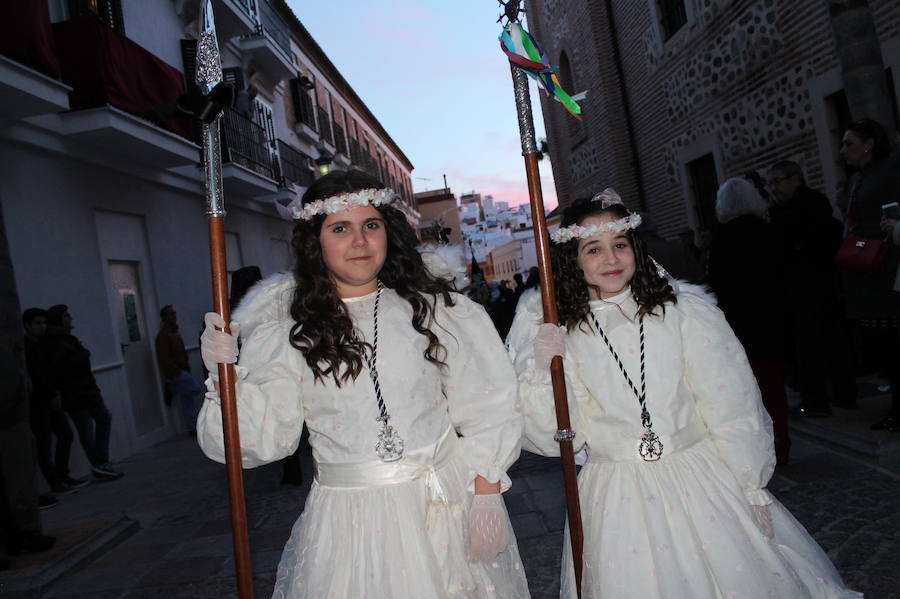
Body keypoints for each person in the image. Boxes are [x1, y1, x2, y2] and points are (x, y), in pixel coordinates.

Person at [507, 189, 861, 599]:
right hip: (617, 492)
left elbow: (729, 400)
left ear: (636, 247)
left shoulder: (681, 312)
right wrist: (543, 367)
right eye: (593, 249)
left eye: (620, 245)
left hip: (699, 476)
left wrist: (749, 482)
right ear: (572, 259)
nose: (611, 258)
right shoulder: (568, 331)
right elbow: (562, 434)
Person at [197, 169, 530, 598]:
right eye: (340, 228)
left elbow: (492, 401)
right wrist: (226, 380)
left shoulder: (436, 311)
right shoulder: (286, 332)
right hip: (350, 524)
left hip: (445, 509)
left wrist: (485, 491)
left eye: (370, 225)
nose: (359, 241)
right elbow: (263, 442)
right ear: (315, 242)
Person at [708, 179, 791, 465]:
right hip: (771, 320)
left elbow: (716, 283)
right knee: (774, 385)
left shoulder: (722, 238)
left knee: (748, 389)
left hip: (740, 324)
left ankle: (762, 447)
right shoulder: (769, 232)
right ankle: (782, 441)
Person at [767, 159, 856, 415]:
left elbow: (815, 241)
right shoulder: (779, 210)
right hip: (797, 289)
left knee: (827, 343)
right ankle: (821, 397)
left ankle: (834, 396)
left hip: (818, 285)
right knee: (811, 346)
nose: (774, 188)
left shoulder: (812, 204)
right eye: (771, 183)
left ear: (795, 179)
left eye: (778, 181)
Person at [839, 118, 900, 431]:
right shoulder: (857, 180)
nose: (844, 150)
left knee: (894, 340)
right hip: (867, 270)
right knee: (883, 345)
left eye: (849, 143)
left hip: (888, 267)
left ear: (869, 144)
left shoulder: (889, 173)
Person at [43, 305, 122, 479]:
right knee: (87, 430)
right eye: (66, 316)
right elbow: (65, 368)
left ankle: (100, 462)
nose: (70, 318)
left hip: (86, 391)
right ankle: (99, 464)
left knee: (102, 419)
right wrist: (82, 355)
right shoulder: (55, 342)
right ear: (58, 320)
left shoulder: (66, 340)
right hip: (76, 394)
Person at [0, 346, 55, 561]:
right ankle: (20, 535)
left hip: (12, 424)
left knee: (16, 483)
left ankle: (20, 535)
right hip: (8, 425)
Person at [22, 308, 84, 494]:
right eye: (38, 323)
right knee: (44, 443)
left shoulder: (43, 344)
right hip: (38, 402)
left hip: (52, 398)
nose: (42, 327)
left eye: (44, 323)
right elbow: (36, 376)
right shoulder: (26, 348)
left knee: (65, 434)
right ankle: (55, 482)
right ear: (27, 326)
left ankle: (62, 475)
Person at [155, 305, 204, 435]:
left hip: (182, 368)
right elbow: (164, 357)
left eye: (174, 314)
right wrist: (174, 371)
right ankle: (172, 387)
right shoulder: (163, 336)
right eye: (171, 314)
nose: (174, 317)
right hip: (177, 372)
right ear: (164, 318)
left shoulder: (175, 332)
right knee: (196, 389)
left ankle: (192, 427)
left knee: (186, 401)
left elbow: (181, 351)